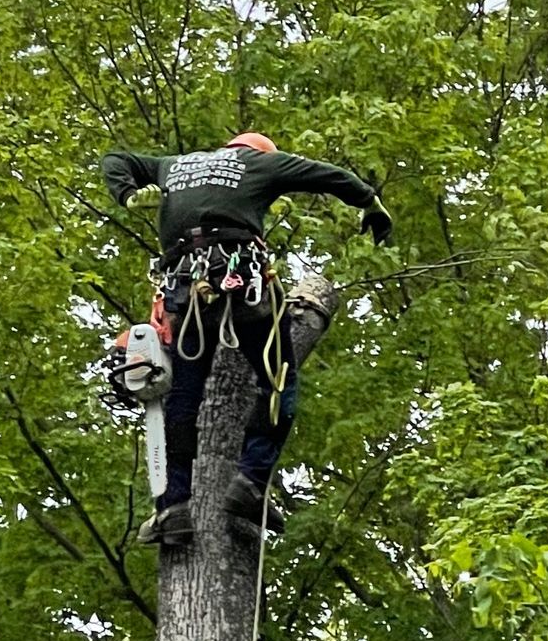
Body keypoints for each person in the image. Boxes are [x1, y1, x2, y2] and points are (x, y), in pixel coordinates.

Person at [100, 132, 393, 547]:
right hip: (244, 284)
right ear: (259, 153)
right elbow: (329, 176)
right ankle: (251, 483)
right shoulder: (260, 164)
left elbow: (115, 156)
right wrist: (371, 203)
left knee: (183, 396)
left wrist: (129, 194)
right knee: (279, 378)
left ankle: (173, 509)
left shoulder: (173, 164)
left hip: (186, 291)